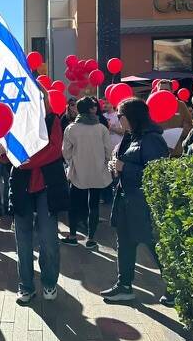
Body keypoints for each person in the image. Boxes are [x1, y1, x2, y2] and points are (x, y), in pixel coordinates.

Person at [100, 98, 170, 303]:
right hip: (125, 199)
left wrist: (124, 167)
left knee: (153, 245)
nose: (117, 120)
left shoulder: (151, 139)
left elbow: (156, 173)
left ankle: (175, 288)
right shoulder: (132, 136)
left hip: (142, 203)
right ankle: (124, 285)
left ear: (131, 117)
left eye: (120, 116)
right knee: (125, 244)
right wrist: (117, 167)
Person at [11, 90, 68, 305]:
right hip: (20, 187)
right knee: (23, 241)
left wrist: (23, 160)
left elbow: (54, 151)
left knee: (48, 239)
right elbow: (4, 153)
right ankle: (25, 286)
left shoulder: (53, 120)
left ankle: (49, 282)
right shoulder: (15, 122)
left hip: (47, 188)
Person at [61, 96, 115, 249]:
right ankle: (91, 238)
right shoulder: (101, 128)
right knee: (94, 205)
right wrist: (103, 163)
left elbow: (66, 151)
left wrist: (72, 162)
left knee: (74, 204)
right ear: (90, 109)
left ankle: (72, 236)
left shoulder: (71, 128)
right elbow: (108, 151)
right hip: (98, 171)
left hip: (78, 171)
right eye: (93, 106)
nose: (96, 108)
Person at [155, 80, 193, 156]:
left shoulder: (181, 105)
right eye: (161, 90)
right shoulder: (152, 106)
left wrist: (178, 134)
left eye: (166, 90)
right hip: (157, 152)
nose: (163, 92)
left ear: (172, 91)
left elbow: (189, 126)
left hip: (177, 152)